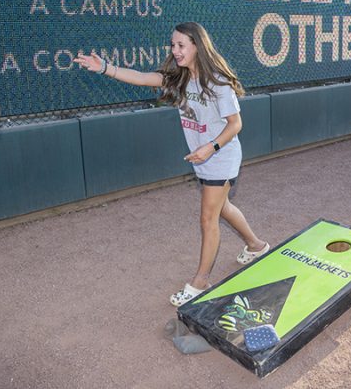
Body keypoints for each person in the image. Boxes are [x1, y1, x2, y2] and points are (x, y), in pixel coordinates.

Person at [74, 22, 270, 306]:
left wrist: (211, 147)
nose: (175, 50)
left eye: (181, 45)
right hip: (203, 158)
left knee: (208, 218)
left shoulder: (218, 82)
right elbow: (142, 77)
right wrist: (105, 68)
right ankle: (256, 245)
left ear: (197, 46)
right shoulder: (180, 79)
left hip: (221, 156)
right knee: (222, 207)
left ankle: (200, 282)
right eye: (173, 45)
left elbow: (235, 124)